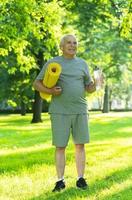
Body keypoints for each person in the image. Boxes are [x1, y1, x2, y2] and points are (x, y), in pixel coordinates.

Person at [33, 34, 96, 192]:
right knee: (60, 146)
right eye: (69, 42)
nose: (72, 45)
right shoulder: (53, 62)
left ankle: (81, 179)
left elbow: (89, 88)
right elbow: (36, 83)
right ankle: (60, 181)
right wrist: (51, 91)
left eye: (75, 43)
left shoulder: (82, 64)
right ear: (61, 46)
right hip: (60, 112)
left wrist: (97, 83)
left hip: (80, 110)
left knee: (80, 145)